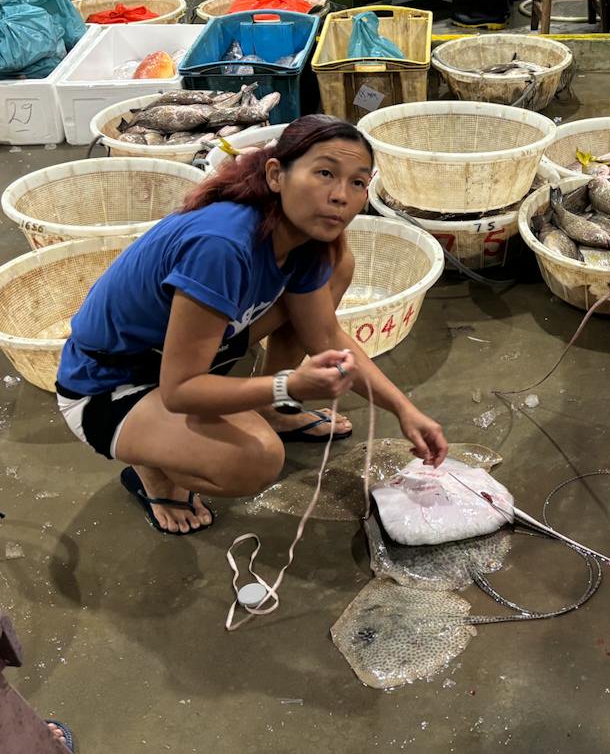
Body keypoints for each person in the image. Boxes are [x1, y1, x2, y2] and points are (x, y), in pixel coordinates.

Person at [54, 115, 449, 536]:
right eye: (325, 173)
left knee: (337, 266)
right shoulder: (221, 246)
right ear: (276, 175)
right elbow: (180, 389)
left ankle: (267, 411)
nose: (340, 196)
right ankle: (151, 472)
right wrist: (287, 385)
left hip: (180, 357)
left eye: (358, 182)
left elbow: (325, 335)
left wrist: (405, 410)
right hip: (109, 385)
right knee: (254, 459)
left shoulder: (306, 239)